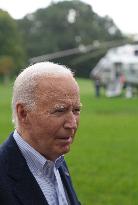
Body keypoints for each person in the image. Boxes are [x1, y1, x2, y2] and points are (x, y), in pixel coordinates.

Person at [0, 62, 82, 205]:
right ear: (23, 113)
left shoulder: (56, 160)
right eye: (60, 110)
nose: (72, 124)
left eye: (76, 110)